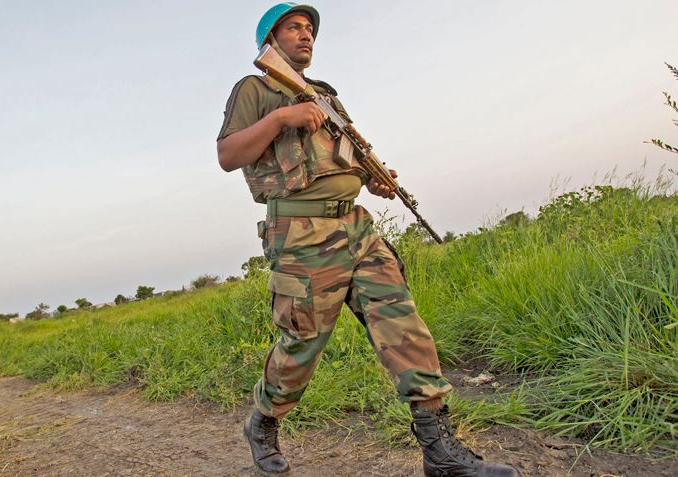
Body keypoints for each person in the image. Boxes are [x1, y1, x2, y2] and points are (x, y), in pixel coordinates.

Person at [217, 4, 520, 476]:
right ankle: (264, 422)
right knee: (302, 343)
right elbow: (228, 155)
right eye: (294, 27)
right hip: (301, 235)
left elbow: (347, 155)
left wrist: (373, 179)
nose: (306, 35)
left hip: (357, 228)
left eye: (310, 29)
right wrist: (283, 119)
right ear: (270, 38)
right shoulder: (256, 89)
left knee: (405, 327)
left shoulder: (327, 97)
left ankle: (440, 454)